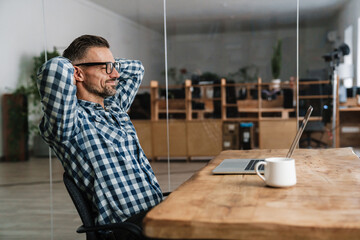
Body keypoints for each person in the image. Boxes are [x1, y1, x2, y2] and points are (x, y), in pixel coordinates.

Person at [37, 35, 163, 230]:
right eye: (106, 68)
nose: (116, 75)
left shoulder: (115, 108)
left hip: (157, 214)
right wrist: (74, 65)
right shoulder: (69, 123)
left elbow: (137, 69)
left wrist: (107, 64)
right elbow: (55, 68)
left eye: (114, 67)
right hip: (129, 230)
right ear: (77, 73)